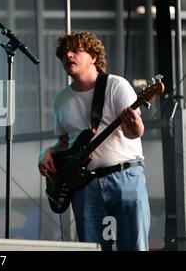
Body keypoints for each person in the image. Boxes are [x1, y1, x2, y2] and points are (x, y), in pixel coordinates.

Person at [38, 31, 150, 251]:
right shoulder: (61, 99)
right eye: (63, 53)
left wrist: (136, 123)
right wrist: (47, 152)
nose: (68, 55)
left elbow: (134, 133)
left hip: (124, 177)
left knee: (134, 247)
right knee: (93, 248)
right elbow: (64, 143)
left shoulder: (116, 86)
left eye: (75, 50)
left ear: (93, 57)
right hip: (84, 186)